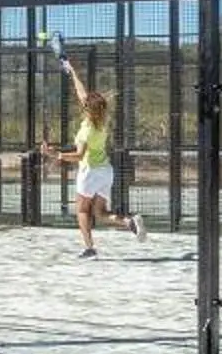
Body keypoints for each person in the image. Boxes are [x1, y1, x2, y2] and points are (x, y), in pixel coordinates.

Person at [38, 56, 145, 259]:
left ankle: (90, 248)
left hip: (90, 172)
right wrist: (73, 72)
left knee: (82, 211)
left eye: (85, 103)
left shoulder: (86, 131)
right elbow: (82, 93)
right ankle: (128, 222)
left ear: (88, 109)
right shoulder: (103, 120)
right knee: (100, 213)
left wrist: (55, 154)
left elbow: (79, 156)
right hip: (106, 171)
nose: (83, 102)